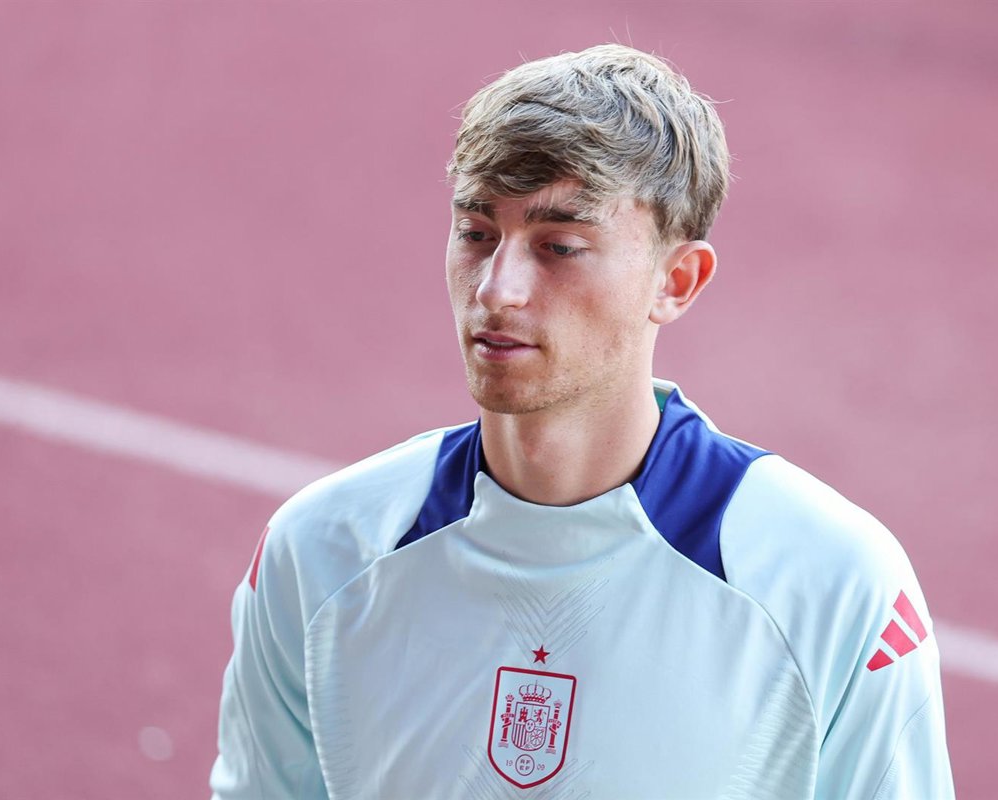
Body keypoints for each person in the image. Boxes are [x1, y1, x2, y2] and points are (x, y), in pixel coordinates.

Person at [211, 44, 953, 799]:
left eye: (558, 246)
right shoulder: (323, 549)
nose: (497, 289)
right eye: (476, 233)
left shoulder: (831, 581)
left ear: (676, 280)